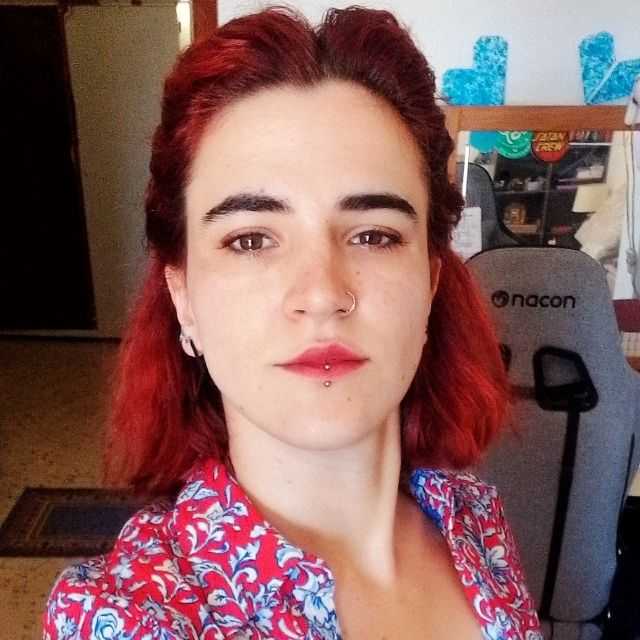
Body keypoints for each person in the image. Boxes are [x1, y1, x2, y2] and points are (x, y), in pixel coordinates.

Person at [43, 6, 542, 639]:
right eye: (250, 239)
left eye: (373, 235)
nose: (322, 294)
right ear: (183, 295)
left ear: (431, 281)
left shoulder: (472, 519)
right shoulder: (126, 619)